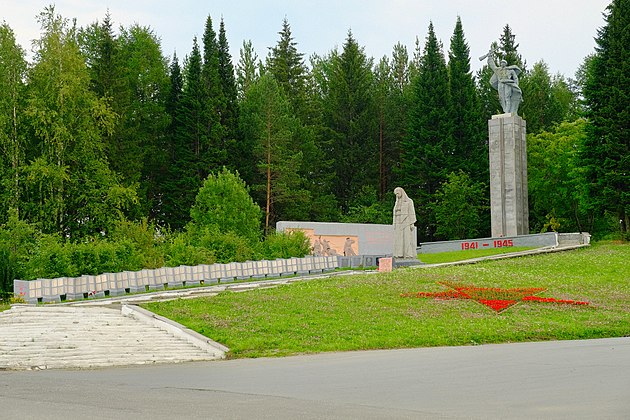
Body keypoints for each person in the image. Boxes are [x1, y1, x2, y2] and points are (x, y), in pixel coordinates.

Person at [486, 49, 523, 115]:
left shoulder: (510, 70)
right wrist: (489, 57)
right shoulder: (498, 70)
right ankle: (505, 110)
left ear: (505, 64)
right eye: (501, 63)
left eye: (503, 63)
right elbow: (492, 66)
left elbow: (515, 78)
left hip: (508, 84)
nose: (502, 64)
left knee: (507, 97)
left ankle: (507, 111)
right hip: (500, 84)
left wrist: (516, 85)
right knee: (501, 98)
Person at [393, 187, 417, 259]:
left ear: (401, 192)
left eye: (398, 193)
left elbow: (412, 212)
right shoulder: (396, 202)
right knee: (398, 239)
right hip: (398, 221)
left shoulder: (409, 201)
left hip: (406, 221)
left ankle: (408, 254)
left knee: (407, 238)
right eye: (395, 194)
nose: (397, 195)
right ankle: (399, 254)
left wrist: (412, 223)